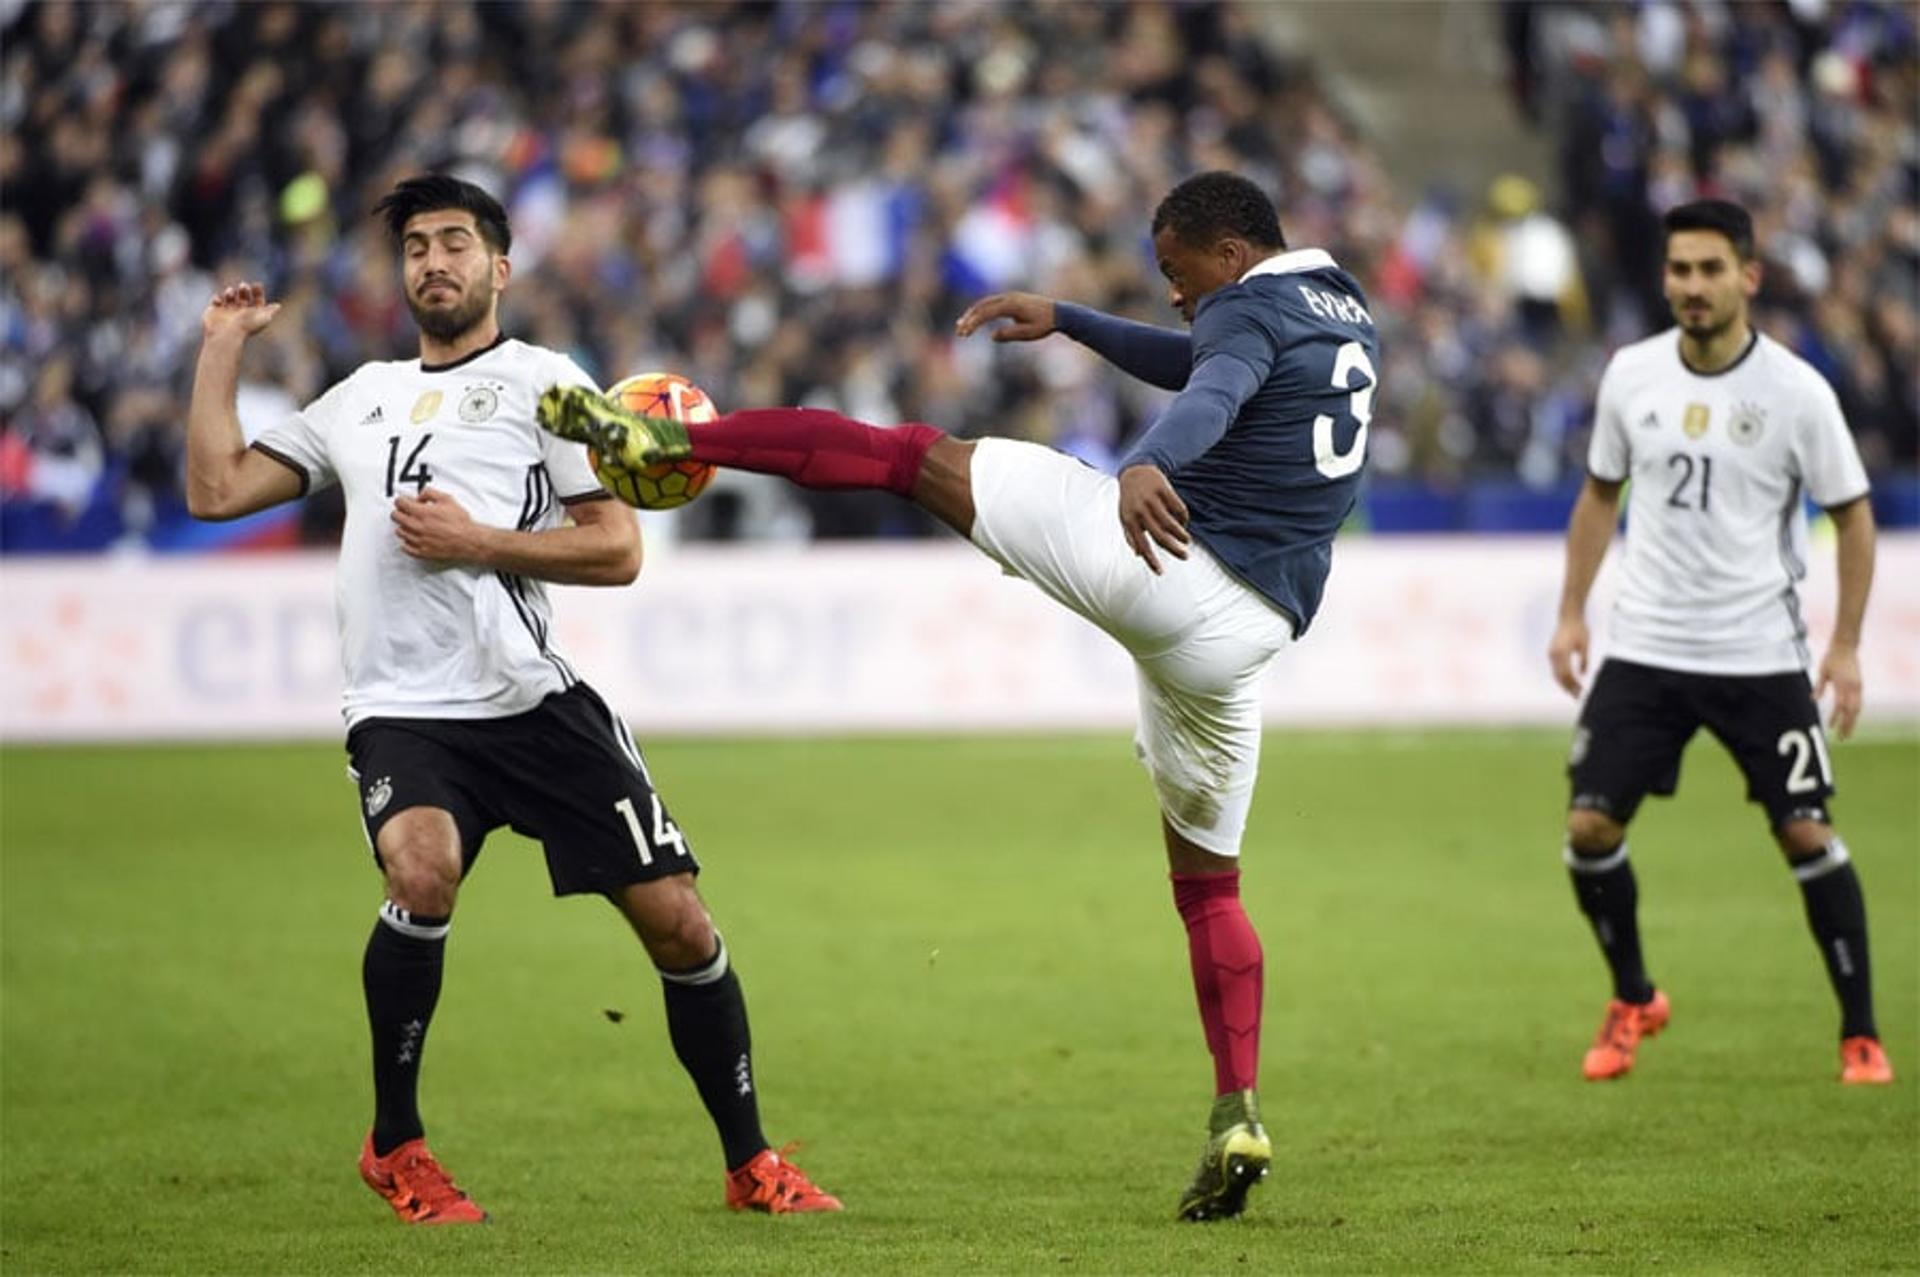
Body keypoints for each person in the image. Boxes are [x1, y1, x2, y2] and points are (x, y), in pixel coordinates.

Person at [542, 171, 1380, 1221]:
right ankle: (1237, 1108)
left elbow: (1210, 391)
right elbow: (1210, 361)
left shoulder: (1247, 306)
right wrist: (1074, 320)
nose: (1174, 294)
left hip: (1162, 555)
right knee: (1211, 885)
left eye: (1177, 272)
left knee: (905, 455)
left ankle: (675, 439)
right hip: (1249, 634)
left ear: (1228, 249)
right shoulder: (1336, 302)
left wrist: (1144, 460)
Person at [185, 173, 841, 1224]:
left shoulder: (547, 383)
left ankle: (750, 1159)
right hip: (403, 706)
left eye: (454, 243)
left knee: (679, 924)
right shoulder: (358, 398)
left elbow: (617, 548)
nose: (432, 263)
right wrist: (223, 342)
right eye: (415, 248)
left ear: (499, 266)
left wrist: (477, 541)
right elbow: (213, 490)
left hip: (531, 701)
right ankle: (395, 1141)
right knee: (423, 870)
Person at [1547, 198, 1891, 1086]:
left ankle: (1860, 1033)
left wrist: (1845, 645)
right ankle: (1634, 995)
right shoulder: (1631, 374)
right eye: (1678, 271)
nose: (1691, 288)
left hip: (1759, 652)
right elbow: (1598, 494)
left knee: (1806, 833)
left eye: (1709, 270)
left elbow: (1853, 518)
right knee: (1589, 825)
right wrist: (1573, 610)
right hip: (1649, 645)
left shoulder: (1796, 392)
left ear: (1749, 276)